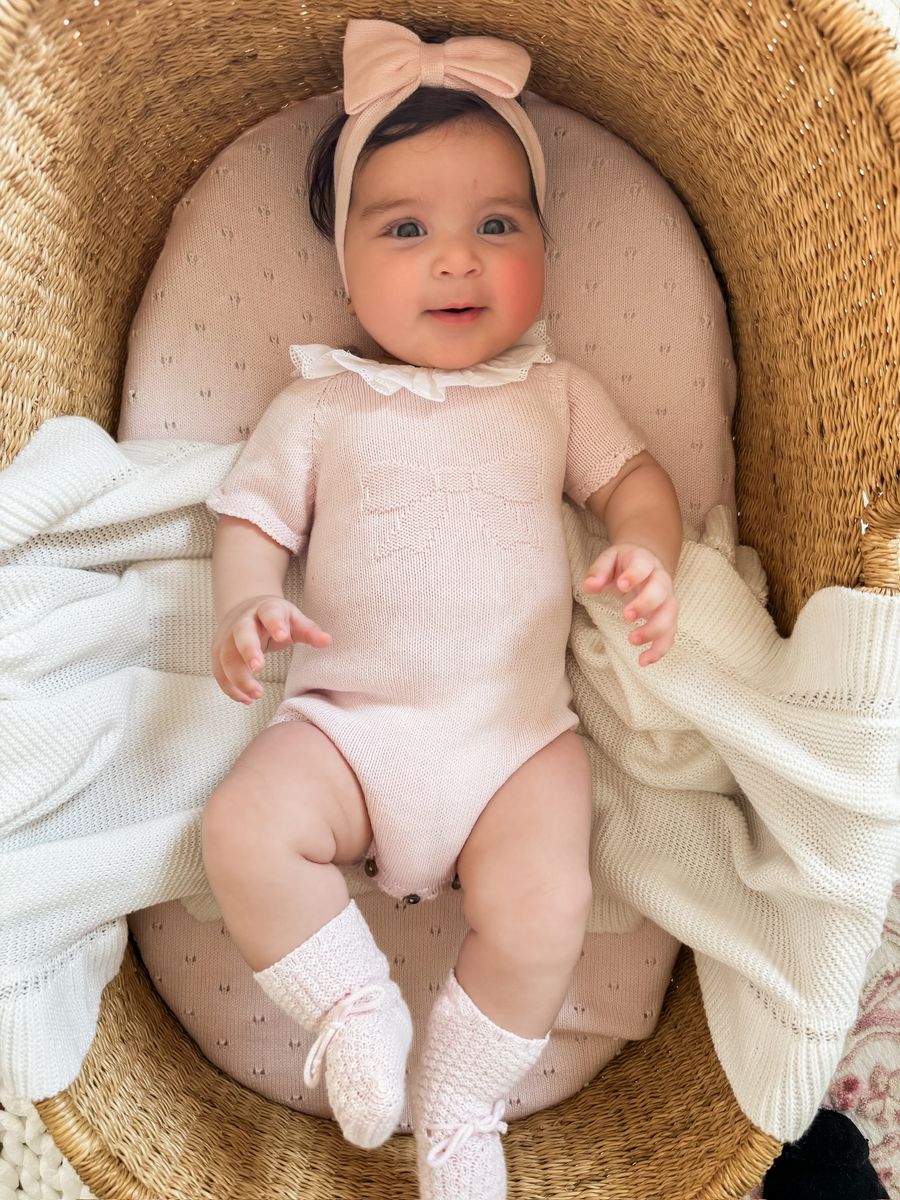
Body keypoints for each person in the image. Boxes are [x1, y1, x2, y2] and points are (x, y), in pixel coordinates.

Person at [202, 18, 682, 1199]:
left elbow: (636, 482)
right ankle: (350, 1002)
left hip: (514, 742)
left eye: (497, 226)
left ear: (547, 251)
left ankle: (463, 1104)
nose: (456, 260)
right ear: (344, 266)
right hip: (347, 731)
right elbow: (251, 518)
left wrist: (645, 549)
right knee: (242, 829)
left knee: (546, 901)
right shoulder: (320, 402)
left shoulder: (556, 391)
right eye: (407, 229)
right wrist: (251, 600)